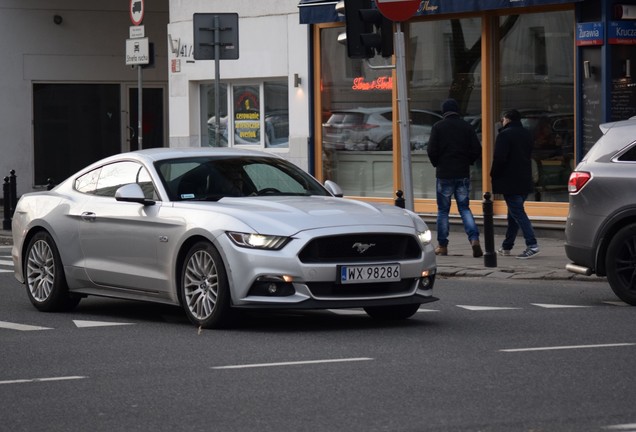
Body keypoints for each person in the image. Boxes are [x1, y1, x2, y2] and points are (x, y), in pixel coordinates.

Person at [427, 98, 483, 258]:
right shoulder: (467, 127)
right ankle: (474, 240)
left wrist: (438, 163)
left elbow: (431, 150)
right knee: (464, 208)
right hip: (462, 172)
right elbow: (476, 149)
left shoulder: (438, 127)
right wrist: (468, 161)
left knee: (443, 211)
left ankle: (442, 246)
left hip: (444, 173)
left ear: (444, 111)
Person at [490, 109, 540, 259]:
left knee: (518, 213)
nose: (502, 121)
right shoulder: (526, 134)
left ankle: (532, 245)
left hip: (509, 180)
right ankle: (507, 246)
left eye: (503, 119)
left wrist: (494, 174)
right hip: (524, 179)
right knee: (513, 214)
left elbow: (499, 158)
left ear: (507, 119)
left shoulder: (504, 135)